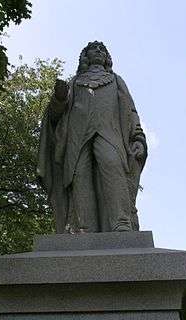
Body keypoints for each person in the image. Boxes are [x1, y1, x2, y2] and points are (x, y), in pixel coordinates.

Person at [37, 41, 147, 233]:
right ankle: (84, 227)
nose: (97, 51)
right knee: (79, 175)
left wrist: (138, 137)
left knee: (113, 165)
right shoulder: (74, 82)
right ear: (85, 56)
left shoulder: (116, 80)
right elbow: (55, 116)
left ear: (106, 58)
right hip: (76, 137)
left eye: (101, 49)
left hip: (110, 133)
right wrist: (59, 99)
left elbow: (130, 111)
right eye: (93, 49)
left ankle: (121, 222)